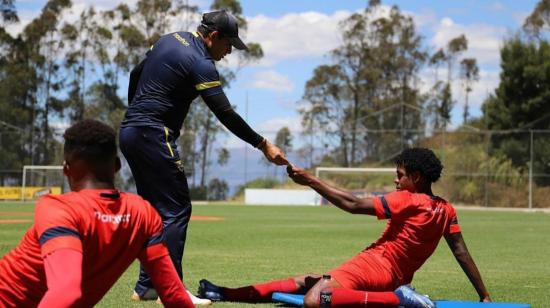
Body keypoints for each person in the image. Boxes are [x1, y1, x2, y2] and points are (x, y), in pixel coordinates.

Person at [119, 9, 288, 303]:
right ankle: (171, 291)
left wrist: (136, 110)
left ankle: (148, 285)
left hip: (131, 131)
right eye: (228, 45)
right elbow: (224, 112)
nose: (228, 52)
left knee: (156, 212)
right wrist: (263, 144)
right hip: (155, 134)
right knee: (177, 210)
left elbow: (136, 73)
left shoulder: (169, 39)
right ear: (213, 37)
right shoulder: (200, 62)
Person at [198, 148, 492, 307]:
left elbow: (352, 204)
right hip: (391, 276)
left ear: (416, 177)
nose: (395, 181)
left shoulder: (409, 199)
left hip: (376, 266)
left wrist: (311, 181)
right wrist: (484, 296)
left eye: (399, 175)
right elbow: (461, 253)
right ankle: (225, 293)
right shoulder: (446, 210)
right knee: (307, 281)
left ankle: (399, 299)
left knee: (316, 299)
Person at [0, 119, 194, 308]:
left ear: (66, 169)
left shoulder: (59, 209)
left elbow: (66, 291)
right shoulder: (144, 214)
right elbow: (174, 296)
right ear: (117, 166)